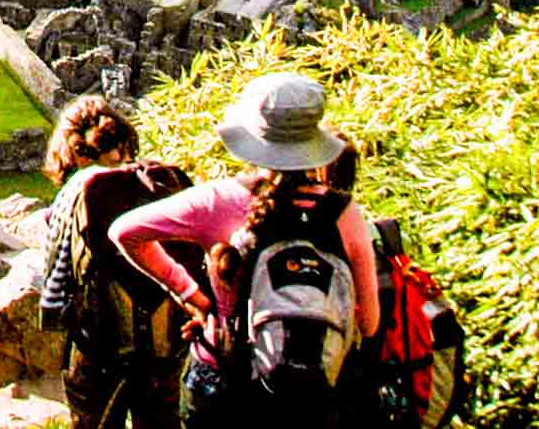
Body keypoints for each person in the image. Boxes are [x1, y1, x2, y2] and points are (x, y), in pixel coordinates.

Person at [110, 73, 380, 428]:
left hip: (225, 384)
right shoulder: (345, 214)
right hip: (314, 394)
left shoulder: (218, 200)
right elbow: (369, 323)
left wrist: (189, 292)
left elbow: (125, 232)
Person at [36, 96, 191, 429]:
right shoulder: (159, 181)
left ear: (74, 151)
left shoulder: (76, 190)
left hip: (99, 344)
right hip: (164, 343)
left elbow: (54, 280)